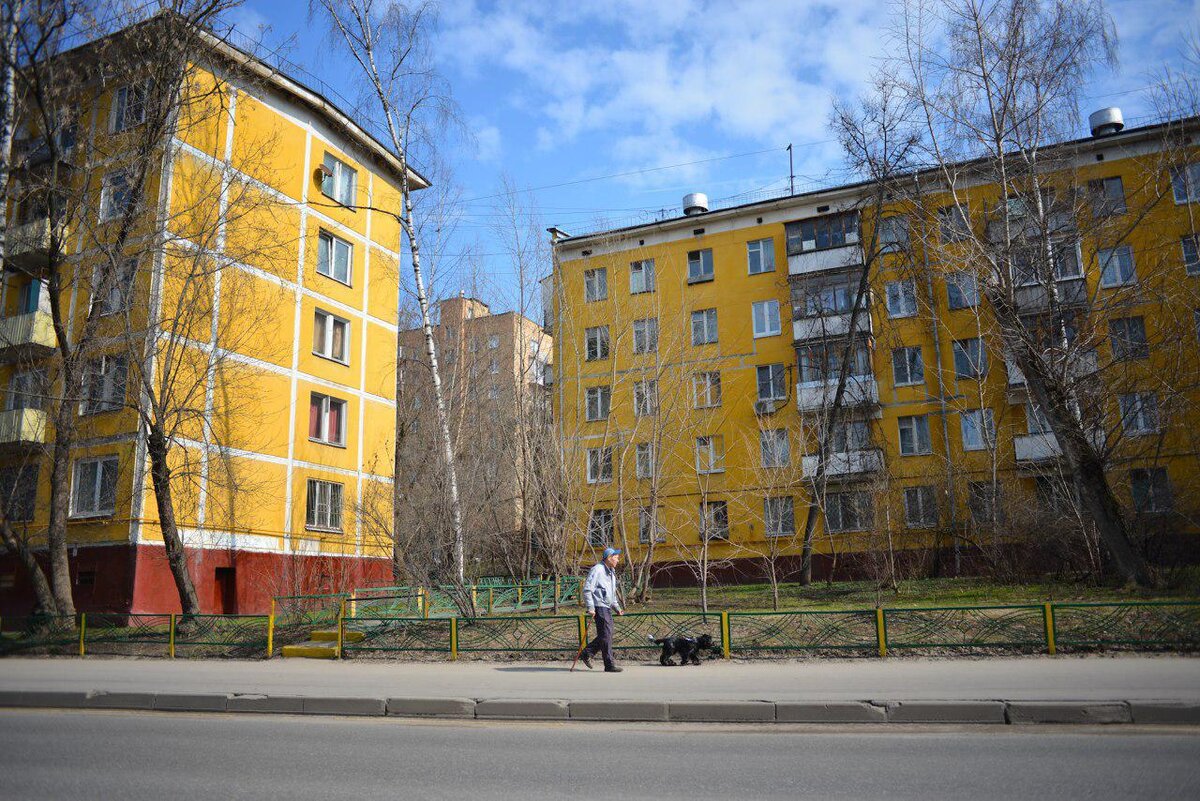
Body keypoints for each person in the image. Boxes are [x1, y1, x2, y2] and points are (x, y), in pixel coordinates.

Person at [578, 547, 624, 672]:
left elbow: (611, 594)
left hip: (607, 607)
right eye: (616, 557)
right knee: (606, 634)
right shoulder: (597, 569)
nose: (618, 560)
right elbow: (587, 589)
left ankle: (587, 652)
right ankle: (609, 665)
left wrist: (617, 608)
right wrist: (591, 607)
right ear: (609, 558)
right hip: (599, 606)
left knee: (606, 634)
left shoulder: (612, 572)